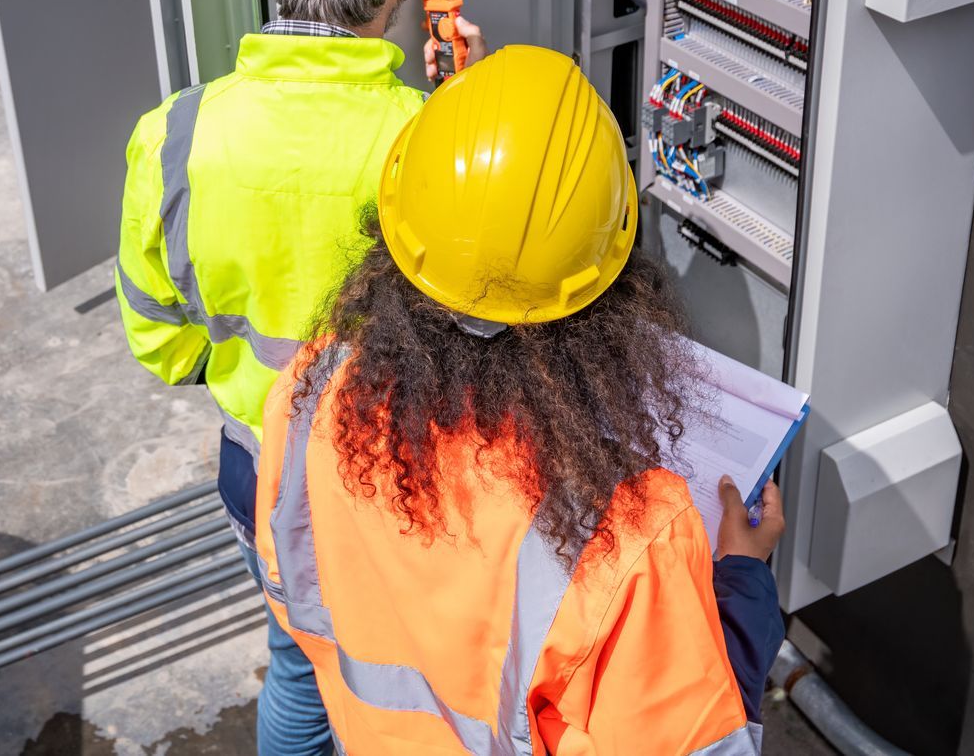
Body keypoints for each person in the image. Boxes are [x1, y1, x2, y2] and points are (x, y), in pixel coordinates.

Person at [255, 45, 786, 754]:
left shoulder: (313, 391)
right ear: (610, 287)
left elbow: (295, 597)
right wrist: (744, 585)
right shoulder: (624, 537)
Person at [116, 0, 485, 756]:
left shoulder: (176, 132)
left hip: (257, 458)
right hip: (401, 467)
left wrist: (239, 375)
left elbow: (158, 335)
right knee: (421, 675)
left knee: (301, 661)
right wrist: (474, 112)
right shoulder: (426, 140)